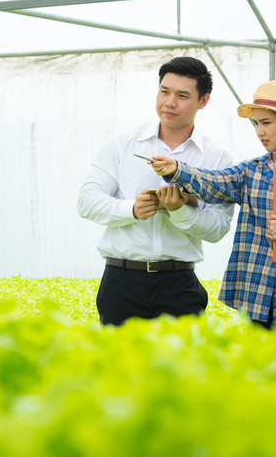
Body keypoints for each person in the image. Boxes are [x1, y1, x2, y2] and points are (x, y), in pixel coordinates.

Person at [148, 79, 276, 329]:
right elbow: (212, 182)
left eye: (266, 122)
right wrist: (177, 169)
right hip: (258, 302)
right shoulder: (251, 171)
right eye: (256, 123)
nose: (259, 131)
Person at [77, 56, 235, 326]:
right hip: (120, 281)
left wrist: (180, 211)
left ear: (203, 101)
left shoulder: (217, 158)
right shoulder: (122, 144)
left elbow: (218, 228)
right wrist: (133, 210)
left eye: (182, 95)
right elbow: (87, 201)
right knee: (120, 366)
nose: (169, 102)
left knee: (180, 367)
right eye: (164, 91)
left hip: (180, 286)